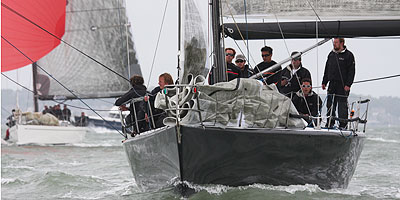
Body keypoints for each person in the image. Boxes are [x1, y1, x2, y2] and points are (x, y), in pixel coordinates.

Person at [322, 38, 355, 129]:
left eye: (336, 43)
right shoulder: (331, 54)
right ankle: (330, 122)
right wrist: (324, 81)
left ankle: (343, 124)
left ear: (342, 43)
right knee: (330, 104)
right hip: (332, 84)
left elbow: (351, 71)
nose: (334, 44)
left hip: (343, 85)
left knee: (342, 106)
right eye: (334, 43)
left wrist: (348, 84)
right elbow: (327, 69)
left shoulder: (349, 55)